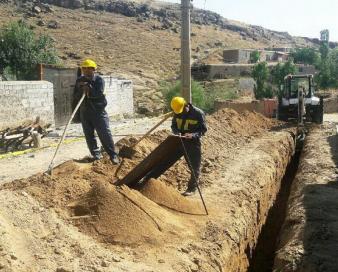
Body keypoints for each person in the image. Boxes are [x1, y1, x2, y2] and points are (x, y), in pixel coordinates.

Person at [145, 96, 207, 196]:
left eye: (182, 111)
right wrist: (177, 132)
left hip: (192, 143)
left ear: (186, 105)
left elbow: (203, 130)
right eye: (178, 112)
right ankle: (146, 182)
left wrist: (192, 135)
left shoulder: (198, 113)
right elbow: (174, 126)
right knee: (163, 162)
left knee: (194, 168)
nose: (180, 113)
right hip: (178, 142)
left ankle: (191, 189)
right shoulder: (177, 112)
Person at [72, 59, 119, 164]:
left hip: (98, 111)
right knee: (89, 135)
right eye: (84, 68)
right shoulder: (79, 80)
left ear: (93, 70)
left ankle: (113, 155)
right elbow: (75, 96)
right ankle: (96, 155)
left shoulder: (99, 80)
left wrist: (89, 88)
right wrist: (81, 89)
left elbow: (98, 93)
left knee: (104, 133)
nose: (86, 70)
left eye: (89, 68)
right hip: (85, 111)